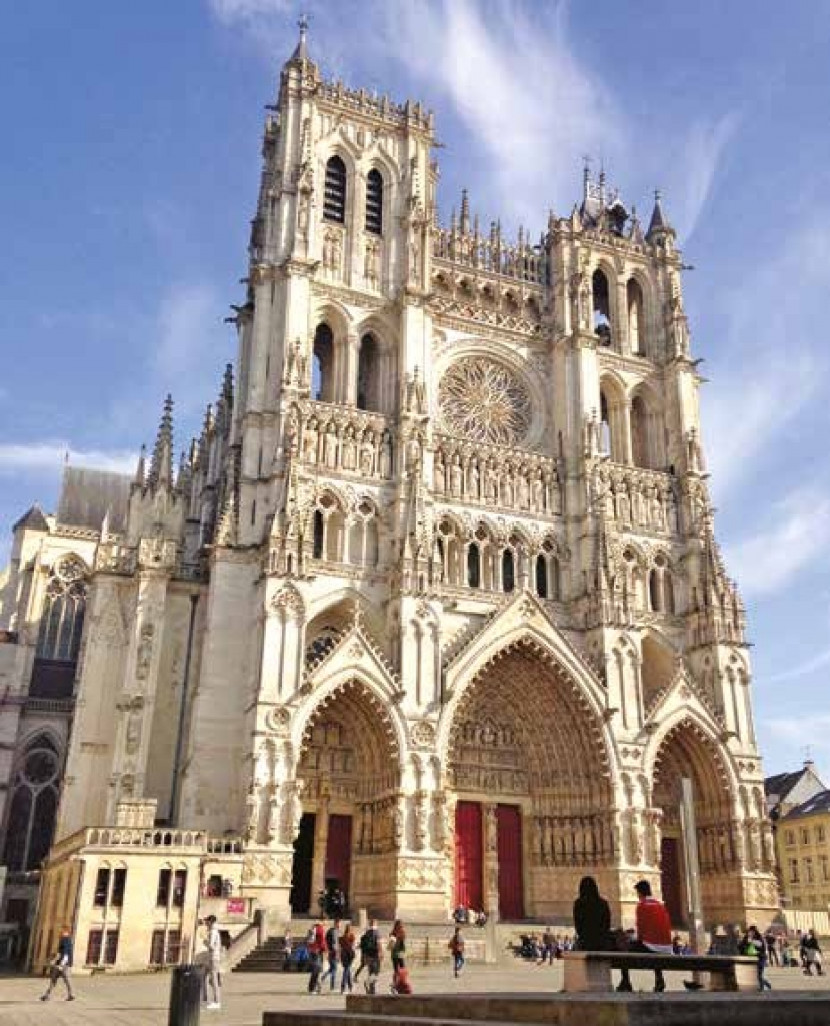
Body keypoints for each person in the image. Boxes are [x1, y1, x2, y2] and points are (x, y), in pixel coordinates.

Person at [618, 880, 672, 993]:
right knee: (653, 948)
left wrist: (631, 937)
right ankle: (659, 979)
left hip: (652, 947)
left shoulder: (642, 905)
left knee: (622, 950)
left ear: (640, 893)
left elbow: (641, 931)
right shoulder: (660, 905)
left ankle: (626, 981)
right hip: (667, 947)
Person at [573, 876, 612, 953]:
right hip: (602, 942)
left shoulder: (579, 904)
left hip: (585, 942)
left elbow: (578, 926)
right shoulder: (603, 903)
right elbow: (607, 924)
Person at [41, 926, 75, 1002]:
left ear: (65, 931)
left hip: (63, 965)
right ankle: (47, 995)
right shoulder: (65, 940)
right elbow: (60, 953)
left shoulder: (66, 940)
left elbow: (66, 954)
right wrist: (54, 960)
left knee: (66, 980)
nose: (59, 932)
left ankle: (71, 994)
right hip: (61, 964)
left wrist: (61, 964)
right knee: (55, 980)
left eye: (61, 931)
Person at [742, 925, 771, 991]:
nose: (750, 933)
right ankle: (766, 984)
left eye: (751, 931)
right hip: (753, 958)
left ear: (754, 931)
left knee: (759, 974)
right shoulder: (747, 937)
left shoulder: (759, 937)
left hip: (761, 957)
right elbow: (743, 944)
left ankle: (762, 987)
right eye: (749, 932)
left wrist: (752, 941)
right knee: (757, 975)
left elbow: (761, 945)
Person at [355, 919, 381, 992]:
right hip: (375, 955)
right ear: (375, 924)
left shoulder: (367, 933)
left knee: (370, 972)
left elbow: (362, 944)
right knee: (376, 972)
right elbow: (378, 944)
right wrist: (380, 953)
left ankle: (372, 990)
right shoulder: (377, 933)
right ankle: (368, 983)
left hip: (368, 955)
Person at [203, 915, 222, 1010]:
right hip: (211, 958)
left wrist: (204, 941)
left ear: (210, 922)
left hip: (213, 958)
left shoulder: (213, 932)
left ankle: (217, 1001)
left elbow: (211, 946)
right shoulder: (212, 931)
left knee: (213, 979)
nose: (205, 923)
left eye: (206, 921)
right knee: (204, 976)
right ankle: (205, 999)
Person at [306, 920, 326, 994]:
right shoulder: (320, 929)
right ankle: (312, 988)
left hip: (312, 951)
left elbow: (308, 941)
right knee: (316, 970)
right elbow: (322, 942)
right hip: (317, 951)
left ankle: (315, 987)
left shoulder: (312, 929)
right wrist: (324, 950)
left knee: (315, 970)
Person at [320, 919, 341, 991]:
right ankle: (332, 986)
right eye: (338, 924)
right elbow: (334, 944)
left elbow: (327, 941)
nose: (339, 926)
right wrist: (337, 953)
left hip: (330, 952)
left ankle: (322, 978)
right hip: (333, 952)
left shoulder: (330, 931)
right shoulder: (334, 931)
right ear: (336, 924)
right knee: (334, 969)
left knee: (332, 968)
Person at [388, 919, 406, 993]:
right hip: (397, 953)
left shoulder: (398, 932)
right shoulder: (396, 933)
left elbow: (401, 943)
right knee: (399, 970)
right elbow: (392, 945)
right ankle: (396, 985)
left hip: (398, 953)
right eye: (400, 924)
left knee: (400, 969)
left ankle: (397, 984)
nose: (401, 926)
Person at [340, 922, 357, 993]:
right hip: (349, 954)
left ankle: (350, 987)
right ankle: (343, 987)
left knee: (347, 969)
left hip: (343, 954)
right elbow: (353, 946)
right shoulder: (352, 936)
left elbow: (340, 947)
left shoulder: (342, 937)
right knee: (346, 970)